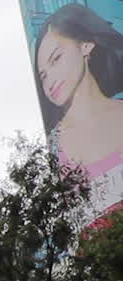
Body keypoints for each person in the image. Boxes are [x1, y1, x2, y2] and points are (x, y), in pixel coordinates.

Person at [35, 2, 123, 213]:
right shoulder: (54, 146)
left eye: (56, 59)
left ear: (86, 45)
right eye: (43, 75)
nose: (50, 82)